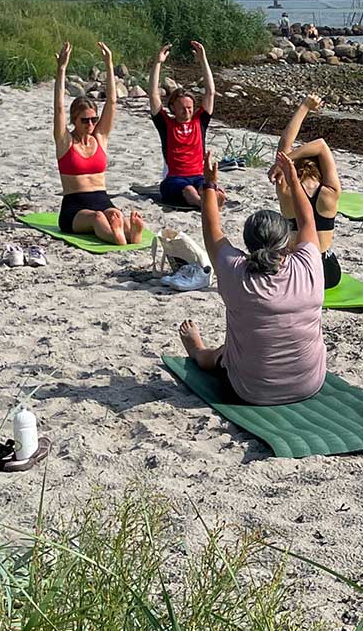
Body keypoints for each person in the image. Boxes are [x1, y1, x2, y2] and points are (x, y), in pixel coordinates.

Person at [177, 158, 327, 405]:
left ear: (247, 244)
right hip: (310, 384)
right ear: (286, 240)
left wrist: (210, 184)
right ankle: (207, 354)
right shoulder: (308, 263)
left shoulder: (235, 270)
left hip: (249, 392)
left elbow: (211, 228)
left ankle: (199, 353)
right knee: (249, 343)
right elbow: (308, 221)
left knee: (228, 352)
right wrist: (292, 178)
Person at [51, 41, 145, 245]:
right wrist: (61, 70)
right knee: (98, 219)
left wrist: (109, 65)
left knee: (114, 214)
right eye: (85, 120)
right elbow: (59, 108)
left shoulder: (100, 137)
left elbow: (112, 102)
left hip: (102, 199)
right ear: (74, 120)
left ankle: (129, 234)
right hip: (75, 207)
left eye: (94, 119)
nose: (91, 124)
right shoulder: (65, 141)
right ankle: (117, 237)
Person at [272, 93, 344, 288]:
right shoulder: (330, 192)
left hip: (299, 271)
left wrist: (304, 106)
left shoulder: (286, 189)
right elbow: (321, 145)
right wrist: (286, 160)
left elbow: (284, 147)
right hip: (328, 272)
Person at [148, 41, 216, 208]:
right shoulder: (166, 124)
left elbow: (210, 92)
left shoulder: (199, 121)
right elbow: (153, 95)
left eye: (190, 107)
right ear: (172, 107)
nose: (187, 111)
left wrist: (203, 60)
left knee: (213, 191)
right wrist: (158, 63)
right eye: (182, 108)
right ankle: (205, 207)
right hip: (175, 179)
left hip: (198, 176)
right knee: (189, 191)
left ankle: (212, 204)